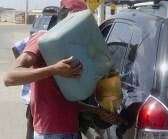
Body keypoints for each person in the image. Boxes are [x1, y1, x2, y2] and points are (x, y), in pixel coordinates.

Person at [4, 0, 119, 138]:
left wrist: (97, 110)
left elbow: (67, 98)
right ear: (72, 15)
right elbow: (9, 77)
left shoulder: (74, 48)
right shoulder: (43, 39)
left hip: (71, 130)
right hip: (49, 132)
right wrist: (54, 69)